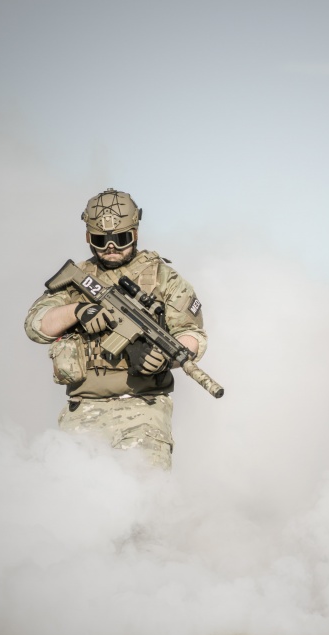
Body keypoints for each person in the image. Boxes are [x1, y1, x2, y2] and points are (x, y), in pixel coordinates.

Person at [24, 188, 208, 470]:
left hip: (143, 410)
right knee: (72, 502)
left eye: (121, 239)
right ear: (88, 237)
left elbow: (191, 334)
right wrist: (78, 310)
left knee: (145, 501)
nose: (111, 247)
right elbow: (36, 325)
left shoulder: (162, 277)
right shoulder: (79, 279)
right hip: (83, 409)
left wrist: (164, 359)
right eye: (101, 240)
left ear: (135, 233)